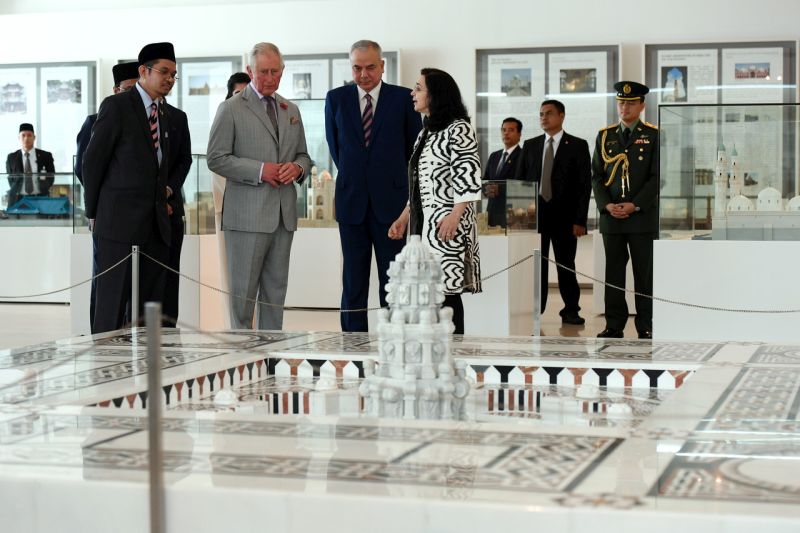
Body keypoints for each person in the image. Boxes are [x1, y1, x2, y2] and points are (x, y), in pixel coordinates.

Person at [207, 42, 311, 330]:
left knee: (275, 294)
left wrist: (298, 167)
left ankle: (271, 357)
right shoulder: (230, 109)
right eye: (263, 72)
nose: (269, 78)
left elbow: (303, 155)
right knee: (242, 297)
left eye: (275, 72)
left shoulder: (291, 109)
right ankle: (243, 359)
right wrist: (261, 170)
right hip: (246, 218)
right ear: (250, 71)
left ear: (282, 71)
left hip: (283, 217)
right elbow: (216, 159)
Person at [324, 39, 422, 332]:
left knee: (392, 280)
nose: (363, 74)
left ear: (382, 66)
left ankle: (394, 339)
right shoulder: (336, 98)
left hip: (392, 206)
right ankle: (352, 343)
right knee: (353, 280)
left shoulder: (404, 98)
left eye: (369, 67)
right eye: (357, 68)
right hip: (352, 203)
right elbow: (336, 148)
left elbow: (412, 151)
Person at [82, 42, 179, 334]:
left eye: (174, 74)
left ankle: (143, 370)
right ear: (143, 71)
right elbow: (92, 162)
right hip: (117, 224)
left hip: (155, 225)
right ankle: (103, 369)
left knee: (150, 308)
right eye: (164, 72)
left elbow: (166, 165)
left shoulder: (164, 114)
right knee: (111, 305)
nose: (169, 79)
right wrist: (93, 211)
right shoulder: (117, 106)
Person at [388, 68, 482, 335]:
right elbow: (419, 184)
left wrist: (456, 215)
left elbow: (468, 175)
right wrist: (404, 217)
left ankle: (454, 351)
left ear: (436, 94)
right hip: (422, 226)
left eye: (418, 88)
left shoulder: (459, 128)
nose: (412, 93)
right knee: (427, 293)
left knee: (446, 293)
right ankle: (431, 349)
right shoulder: (425, 132)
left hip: (445, 223)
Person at [74, 61, 140, 329]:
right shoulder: (95, 120)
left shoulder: (147, 119)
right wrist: (100, 203)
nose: (133, 94)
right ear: (116, 89)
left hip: (137, 215)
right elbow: (84, 167)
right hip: (107, 213)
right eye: (128, 89)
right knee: (105, 280)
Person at [591, 81, 659, 339]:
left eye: (631, 103)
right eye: (621, 102)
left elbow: (656, 177)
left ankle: (646, 324)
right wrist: (606, 205)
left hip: (641, 217)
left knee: (644, 275)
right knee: (613, 274)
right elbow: (597, 176)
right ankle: (614, 325)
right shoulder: (605, 136)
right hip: (613, 218)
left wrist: (635, 204)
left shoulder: (653, 135)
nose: (625, 107)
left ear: (642, 105)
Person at [516, 100, 591, 326]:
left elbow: (583, 185)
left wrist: (580, 220)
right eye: (540, 114)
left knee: (566, 264)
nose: (543, 118)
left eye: (548, 113)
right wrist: (519, 219)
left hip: (566, 219)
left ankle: (570, 310)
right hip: (535, 218)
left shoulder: (577, 145)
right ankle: (535, 309)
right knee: (537, 266)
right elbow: (519, 183)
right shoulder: (530, 145)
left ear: (561, 116)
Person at [211, 72, 251, 329]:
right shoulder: (225, 115)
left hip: (258, 208)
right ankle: (235, 328)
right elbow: (217, 163)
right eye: (238, 94)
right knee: (233, 276)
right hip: (228, 207)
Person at [482, 117, 522, 228]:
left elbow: (525, 184)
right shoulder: (494, 156)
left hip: (513, 213)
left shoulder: (523, 156)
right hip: (492, 212)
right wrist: (486, 188)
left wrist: (500, 189)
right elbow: (486, 179)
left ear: (519, 134)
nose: (506, 133)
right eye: (504, 130)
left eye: (511, 130)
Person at [6, 123, 55, 207]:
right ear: (19, 138)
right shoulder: (12, 157)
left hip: (40, 199)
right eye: (23, 135)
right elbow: (11, 180)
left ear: (34, 137)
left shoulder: (46, 156)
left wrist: (43, 188)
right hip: (18, 200)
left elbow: (51, 177)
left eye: (29, 135)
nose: (26, 138)